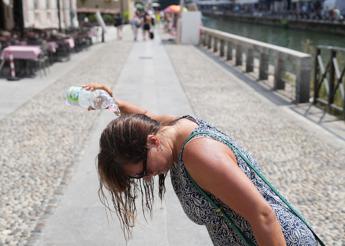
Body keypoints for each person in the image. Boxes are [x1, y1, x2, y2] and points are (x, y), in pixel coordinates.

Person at [84, 83, 319, 245]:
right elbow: (143, 114)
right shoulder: (170, 130)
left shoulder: (198, 155)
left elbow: (263, 215)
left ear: (152, 141)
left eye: (144, 170)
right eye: (139, 176)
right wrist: (108, 101)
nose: (147, 177)